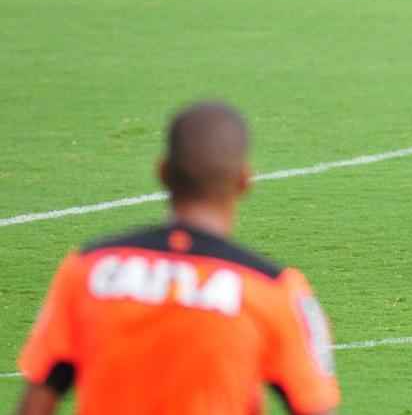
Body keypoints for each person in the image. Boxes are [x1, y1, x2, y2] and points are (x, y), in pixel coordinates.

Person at [14, 101, 340, 415]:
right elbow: (313, 406)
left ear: (163, 172)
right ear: (243, 180)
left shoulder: (88, 269)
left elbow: (37, 399)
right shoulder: (273, 291)